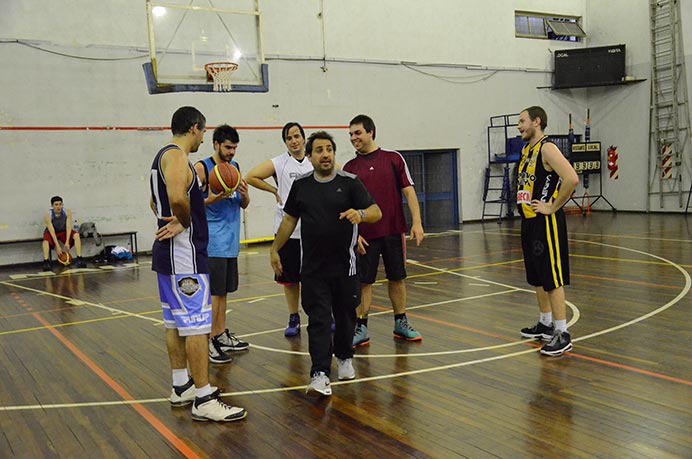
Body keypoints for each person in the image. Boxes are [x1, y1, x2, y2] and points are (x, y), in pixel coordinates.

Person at [150, 106, 246, 421]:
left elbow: (154, 201)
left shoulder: (160, 158)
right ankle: (204, 397)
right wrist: (182, 221)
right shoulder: (177, 157)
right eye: (204, 132)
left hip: (169, 255)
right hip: (185, 256)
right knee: (195, 327)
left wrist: (171, 218)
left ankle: (181, 386)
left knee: (174, 323)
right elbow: (178, 198)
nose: (204, 138)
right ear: (195, 128)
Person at [270, 131, 382, 395]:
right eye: (319, 150)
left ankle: (344, 357)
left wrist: (361, 214)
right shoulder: (302, 186)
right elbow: (289, 220)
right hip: (312, 270)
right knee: (318, 320)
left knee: (345, 319)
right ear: (309, 156)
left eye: (329, 149)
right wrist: (275, 249)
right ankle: (319, 372)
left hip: (345, 268)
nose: (325, 154)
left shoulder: (350, 183)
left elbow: (376, 212)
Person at [343, 114, 424, 348]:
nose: (353, 138)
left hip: (393, 231)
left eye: (357, 133)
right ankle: (361, 327)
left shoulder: (393, 159)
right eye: (350, 134)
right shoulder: (349, 168)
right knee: (363, 282)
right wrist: (354, 233)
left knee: (397, 278)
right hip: (364, 237)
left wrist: (416, 222)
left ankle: (401, 323)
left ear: (371, 132)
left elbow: (409, 192)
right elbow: (347, 206)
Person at [516, 106, 579, 356]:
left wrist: (552, 207)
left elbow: (571, 178)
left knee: (552, 278)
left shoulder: (547, 148)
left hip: (546, 222)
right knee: (538, 275)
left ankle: (562, 333)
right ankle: (545, 322)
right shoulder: (526, 150)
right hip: (529, 221)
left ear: (537, 121)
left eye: (522, 121)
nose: (519, 126)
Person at [246, 122, 315, 337]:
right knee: (291, 278)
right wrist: (274, 190)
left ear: (304, 138)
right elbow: (251, 176)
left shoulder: (314, 160)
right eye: (289, 138)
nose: (294, 141)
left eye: (297, 136)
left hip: (313, 229)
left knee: (316, 277)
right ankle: (294, 317)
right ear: (285, 142)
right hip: (288, 230)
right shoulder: (279, 163)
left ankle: (320, 315)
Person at [194, 125, 251, 364]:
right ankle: (207, 341)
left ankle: (220, 333)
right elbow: (191, 205)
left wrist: (246, 194)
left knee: (224, 293)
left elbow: (243, 204)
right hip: (212, 241)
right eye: (228, 147)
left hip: (230, 241)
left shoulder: (235, 169)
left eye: (235, 148)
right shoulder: (201, 167)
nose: (232, 152)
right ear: (216, 144)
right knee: (213, 296)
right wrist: (210, 199)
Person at [42, 196, 86, 270]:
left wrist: (67, 241)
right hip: (52, 232)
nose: (58, 206)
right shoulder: (48, 215)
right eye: (56, 204)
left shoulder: (67, 211)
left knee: (76, 235)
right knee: (45, 241)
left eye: (60, 204)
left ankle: (79, 259)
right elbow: (51, 231)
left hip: (63, 231)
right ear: (52, 206)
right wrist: (58, 246)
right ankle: (46, 261)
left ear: (62, 205)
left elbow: (68, 227)